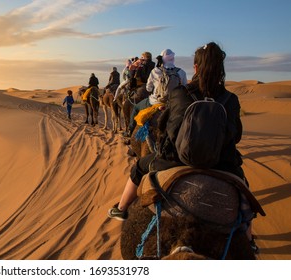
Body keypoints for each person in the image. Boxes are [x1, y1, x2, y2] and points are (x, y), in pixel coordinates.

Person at [108, 43, 254, 248]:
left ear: (195, 67)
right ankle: (249, 239)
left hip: (175, 159)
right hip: (222, 163)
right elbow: (235, 135)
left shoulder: (180, 93)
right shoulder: (231, 99)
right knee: (244, 192)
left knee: (140, 167)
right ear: (221, 67)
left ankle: (121, 208)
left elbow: (167, 128)